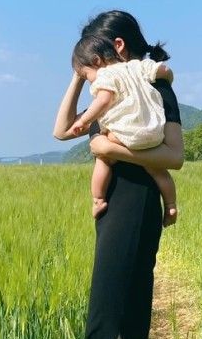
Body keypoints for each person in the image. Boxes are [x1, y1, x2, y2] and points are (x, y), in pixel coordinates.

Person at [53, 10, 184, 339]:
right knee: (122, 315)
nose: (87, 76)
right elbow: (62, 129)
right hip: (116, 211)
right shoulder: (104, 83)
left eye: (93, 60)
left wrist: (111, 148)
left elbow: (174, 156)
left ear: (120, 47)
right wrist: (77, 76)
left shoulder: (154, 89)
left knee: (109, 318)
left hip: (136, 203)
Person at [69, 33, 178, 226]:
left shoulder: (105, 75)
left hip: (124, 134)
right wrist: (168, 79)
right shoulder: (137, 66)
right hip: (153, 132)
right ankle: (170, 205)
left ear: (96, 61)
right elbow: (164, 70)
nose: (89, 81)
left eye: (86, 76)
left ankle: (98, 200)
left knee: (103, 159)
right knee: (158, 171)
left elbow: (103, 100)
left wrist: (84, 121)